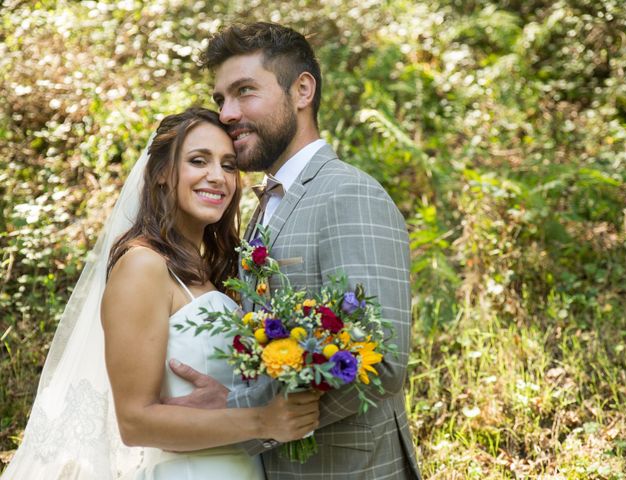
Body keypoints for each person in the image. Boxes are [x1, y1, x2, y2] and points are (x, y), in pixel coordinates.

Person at [1, 107, 320, 480]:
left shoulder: (212, 271)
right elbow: (136, 422)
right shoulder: (143, 265)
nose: (217, 177)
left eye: (229, 165)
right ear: (163, 174)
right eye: (198, 160)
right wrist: (262, 420)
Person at [168, 23, 421, 479]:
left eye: (244, 91)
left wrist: (240, 415)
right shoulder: (266, 202)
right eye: (220, 99)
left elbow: (381, 360)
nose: (226, 113)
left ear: (302, 90)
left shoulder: (349, 194)